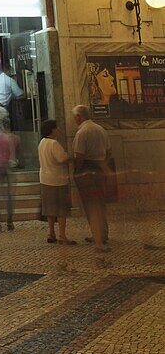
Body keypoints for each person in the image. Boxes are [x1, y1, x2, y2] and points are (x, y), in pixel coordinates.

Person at [72, 104, 112, 251]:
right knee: (100, 202)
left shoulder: (82, 132)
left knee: (90, 204)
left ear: (78, 117)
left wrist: (77, 171)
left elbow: (79, 155)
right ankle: (103, 233)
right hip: (101, 169)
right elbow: (109, 151)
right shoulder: (101, 129)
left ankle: (97, 236)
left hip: (87, 170)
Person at [38, 119, 75, 245]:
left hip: (45, 179)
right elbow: (61, 159)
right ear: (52, 130)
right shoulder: (54, 144)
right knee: (61, 209)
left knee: (50, 209)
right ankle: (62, 235)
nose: (58, 130)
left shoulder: (42, 142)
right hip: (57, 179)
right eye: (56, 127)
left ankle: (51, 232)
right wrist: (70, 157)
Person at [0, 126, 19, 231]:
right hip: (8, 167)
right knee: (9, 194)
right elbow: (14, 152)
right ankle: (9, 221)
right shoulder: (11, 138)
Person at [0, 65, 24, 140]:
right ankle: (5, 151)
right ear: (8, 71)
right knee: (5, 134)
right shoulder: (9, 80)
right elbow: (20, 94)